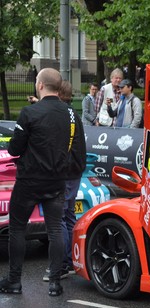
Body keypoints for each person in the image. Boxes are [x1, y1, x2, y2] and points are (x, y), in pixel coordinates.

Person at [0, 68, 86, 297]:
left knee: (17, 228)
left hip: (29, 180)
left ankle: (14, 281)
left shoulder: (30, 112)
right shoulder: (71, 114)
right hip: (57, 180)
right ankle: (55, 283)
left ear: (39, 85)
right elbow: (79, 151)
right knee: (55, 229)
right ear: (58, 87)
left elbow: (15, 148)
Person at [42, 80, 87, 282]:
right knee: (69, 216)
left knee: (58, 219)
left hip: (63, 172)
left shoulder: (60, 114)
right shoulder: (73, 114)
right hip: (74, 171)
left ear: (58, 93)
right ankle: (69, 261)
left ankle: (59, 266)